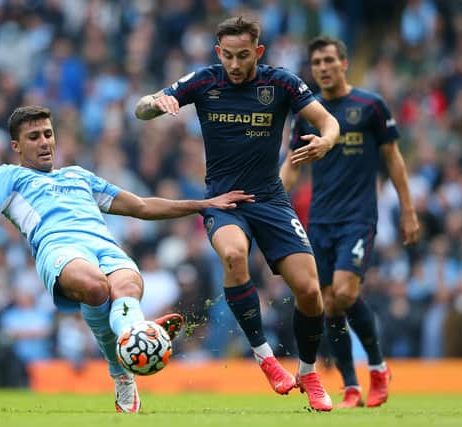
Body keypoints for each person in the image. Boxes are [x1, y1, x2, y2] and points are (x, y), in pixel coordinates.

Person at [0, 105, 254, 413]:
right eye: (34, 137)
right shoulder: (9, 177)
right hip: (59, 249)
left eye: (48, 134)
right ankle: (124, 366)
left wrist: (203, 204)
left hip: (105, 247)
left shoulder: (79, 176)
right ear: (16, 146)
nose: (44, 142)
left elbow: (141, 206)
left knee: (127, 284)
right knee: (95, 286)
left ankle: (135, 336)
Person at [135, 16, 340, 411]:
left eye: (242, 56)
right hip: (224, 200)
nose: (233, 64)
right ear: (218, 53)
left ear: (258, 52)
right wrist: (154, 103)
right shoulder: (203, 80)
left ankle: (308, 372)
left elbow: (327, 121)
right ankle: (265, 357)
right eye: (227, 55)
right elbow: (141, 108)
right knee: (232, 256)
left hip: (271, 199)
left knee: (311, 292)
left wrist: (326, 142)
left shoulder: (280, 83)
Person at [280, 36, 420, 408]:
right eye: (316, 62)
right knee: (327, 304)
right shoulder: (310, 113)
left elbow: (393, 159)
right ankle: (351, 387)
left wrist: (407, 210)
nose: (322, 68)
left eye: (329, 60)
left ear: (344, 63)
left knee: (344, 292)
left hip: (358, 217)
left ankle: (378, 369)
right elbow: (293, 165)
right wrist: (270, 204)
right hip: (321, 219)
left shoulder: (370, 106)